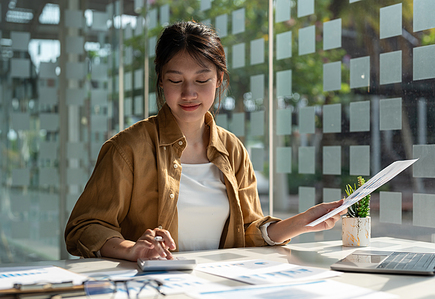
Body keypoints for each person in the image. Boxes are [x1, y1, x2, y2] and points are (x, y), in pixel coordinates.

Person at [64, 21, 346, 261]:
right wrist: (134, 249)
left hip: (215, 288)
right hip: (152, 289)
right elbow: (84, 227)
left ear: (219, 79)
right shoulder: (127, 149)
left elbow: (247, 230)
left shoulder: (232, 148)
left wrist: (301, 222)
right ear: (161, 81)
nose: (189, 93)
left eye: (202, 80)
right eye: (176, 80)